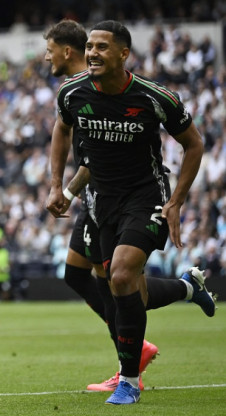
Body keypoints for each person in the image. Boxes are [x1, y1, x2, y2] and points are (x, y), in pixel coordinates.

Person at [44, 19, 215, 394]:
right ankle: (187, 287)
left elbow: (194, 144)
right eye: (89, 46)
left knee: (120, 277)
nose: (92, 53)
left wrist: (176, 201)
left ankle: (129, 381)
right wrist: (56, 185)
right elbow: (61, 129)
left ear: (124, 54)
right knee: (125, 289)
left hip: (146, 196)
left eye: (102, 47)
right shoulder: (72, 93)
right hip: (102, 202)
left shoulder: (155, 97)